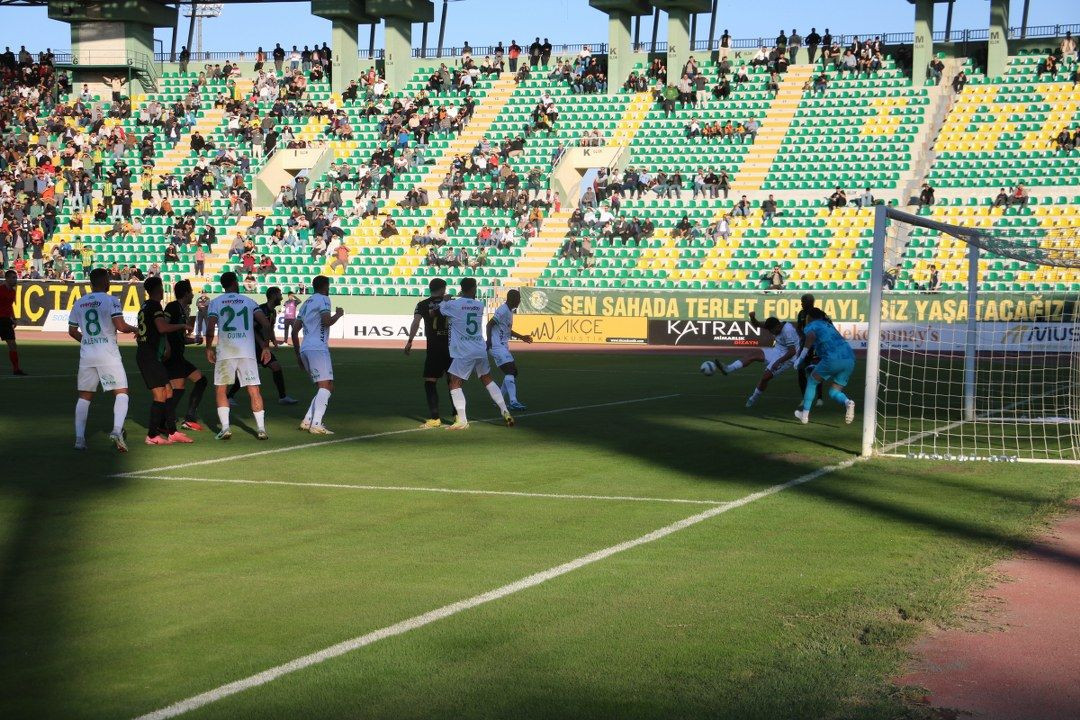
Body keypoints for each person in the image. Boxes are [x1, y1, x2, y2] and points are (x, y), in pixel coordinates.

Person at [68, 267, 138, 452]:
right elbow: (121, 326)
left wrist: (88, 341)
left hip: (87, 355)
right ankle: (116, 430)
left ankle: (79, 439)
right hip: (108, 354)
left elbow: (72, 331)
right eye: (108, 279)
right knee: (121, 392)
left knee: (84, 397)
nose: (109, 282)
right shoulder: (111, 300)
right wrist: (136, 330)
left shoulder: (79, 302)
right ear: (104, 281)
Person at [433, 277, 514, 431]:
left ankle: (462, 420)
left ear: (462, 288)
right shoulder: (479, 305)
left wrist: (444, 300)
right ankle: (505, 410)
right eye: (475, 287)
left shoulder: (453, 304)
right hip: (479, 347)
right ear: (473, 289)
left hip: (464, 351)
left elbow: (439, 311)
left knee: (454, 383)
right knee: (487, 379)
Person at [205, 271, 273, 440]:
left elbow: (210, 327)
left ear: (223, 285)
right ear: (235, 282)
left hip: (226, 351)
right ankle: (261, 429)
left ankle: (226, 428)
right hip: (247, 351)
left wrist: (208, 348)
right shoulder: (249, 301)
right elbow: (265, 323)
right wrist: (265, 346)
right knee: (253, 389)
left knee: (221, 389)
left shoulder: (216, 302)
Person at [135, 276, 191, 446]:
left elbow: (152, 331)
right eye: (161, 287)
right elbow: (162, 327)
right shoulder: (154, 305)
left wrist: (164, 342)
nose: (163, 291)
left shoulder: (145, 306)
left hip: (150, 355)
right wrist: (182, 326)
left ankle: (172, 431)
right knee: (161, 394)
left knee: (168, 392)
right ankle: (152, 435)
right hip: (148, 356)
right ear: (158, 289)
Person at [227, 286, 297, 407]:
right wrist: (261, 343)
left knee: (276, 367)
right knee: (246, 373)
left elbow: (270, 327)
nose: (281, 297)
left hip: (261, 347)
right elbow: (251, 329)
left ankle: (283, 397)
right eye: (279, 294)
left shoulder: (273, 312)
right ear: (274, 296)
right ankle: (229, 396)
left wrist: (273, 340)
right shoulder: (260, 310)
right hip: (252, 346)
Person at [713, 313, 800, 408]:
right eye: (770, 331)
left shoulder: (788, 331)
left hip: (789, 356)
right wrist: (752, 317)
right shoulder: (774, 326)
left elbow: (792, 351)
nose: (772, 333)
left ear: (778, 326)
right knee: (754, 353)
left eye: (773, 331)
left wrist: (778, 361)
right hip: (777, 350)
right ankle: (728, 368)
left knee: (765, 377)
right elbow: (758, 325)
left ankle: (753, 398)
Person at [294, 275, 344, 435]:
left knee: (325, 386)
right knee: (326, 386)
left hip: (305, 348)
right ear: (324, 286)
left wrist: (297, 355)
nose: (329, 289)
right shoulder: (324, 299)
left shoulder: (306, 302)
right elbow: (326, 321)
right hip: (318, 348)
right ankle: (316, 424)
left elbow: (294, 331)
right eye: (328, 286)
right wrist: (339, 314)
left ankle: (308, 420)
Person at [405, 278, 455, 427]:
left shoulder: (422, 304)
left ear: (430, 288)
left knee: (430, 381)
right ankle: (458, 416)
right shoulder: (450, 302)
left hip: (434, 347)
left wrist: (410, 341)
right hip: (451, 347)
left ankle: (435, 418)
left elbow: (416, 322)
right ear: (443, 288)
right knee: (453, 382)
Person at [794, 307, 856, 425]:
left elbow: (810, 337)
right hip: (850, 359)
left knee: (812, 381)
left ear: (810, 317)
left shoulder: (812, 325)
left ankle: (805, 415)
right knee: (834, 392)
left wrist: (800, 358)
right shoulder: (828, 325)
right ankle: (848, 402)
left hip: (833, 359)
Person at [163, 280, 210, 433]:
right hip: (172, 357)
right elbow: (162, 327)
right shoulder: (172, 307)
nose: (192, 294)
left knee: (201, 381)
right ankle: (165, 420)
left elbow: (180, 338)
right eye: (190, 291)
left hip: (179, 356)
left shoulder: (183, 311)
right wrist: (166, 346)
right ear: (185, 293)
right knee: (178, 389)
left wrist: (194, 340)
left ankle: (189, 418)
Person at [486, 289, 534, 411]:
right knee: (511, 371)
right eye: (518, 299)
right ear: (512, 299)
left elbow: (507, 330)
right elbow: (489, 324)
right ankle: (513, 401)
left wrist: (522, 337)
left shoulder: (509, 311)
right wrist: (489, 342)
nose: (519, 301)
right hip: (497, 346)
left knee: (512, 372)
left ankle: (499, 401)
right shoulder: (502, 310)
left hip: (502, 346)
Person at [796, 294, 824, 408]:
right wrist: (803, 336)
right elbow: (798, 327)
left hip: (816, 347)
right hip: (804, 346)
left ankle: (819, 398)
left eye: (803, 301)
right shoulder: (801, 313)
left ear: (810, 302)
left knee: (816, 371)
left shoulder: (818, 313)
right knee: (801, 370)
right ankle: (804, 398)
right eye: (801, 301)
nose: (801, 303)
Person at [0, 270, 27, 375]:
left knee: (12, 345)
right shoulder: (0, 290)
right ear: (7, 278)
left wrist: (14, 318)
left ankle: (16, 369)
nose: (15, 280)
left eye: (15, 277)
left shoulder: (13, 291)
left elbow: (10, 306)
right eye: (13, 278)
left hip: (6, 321)